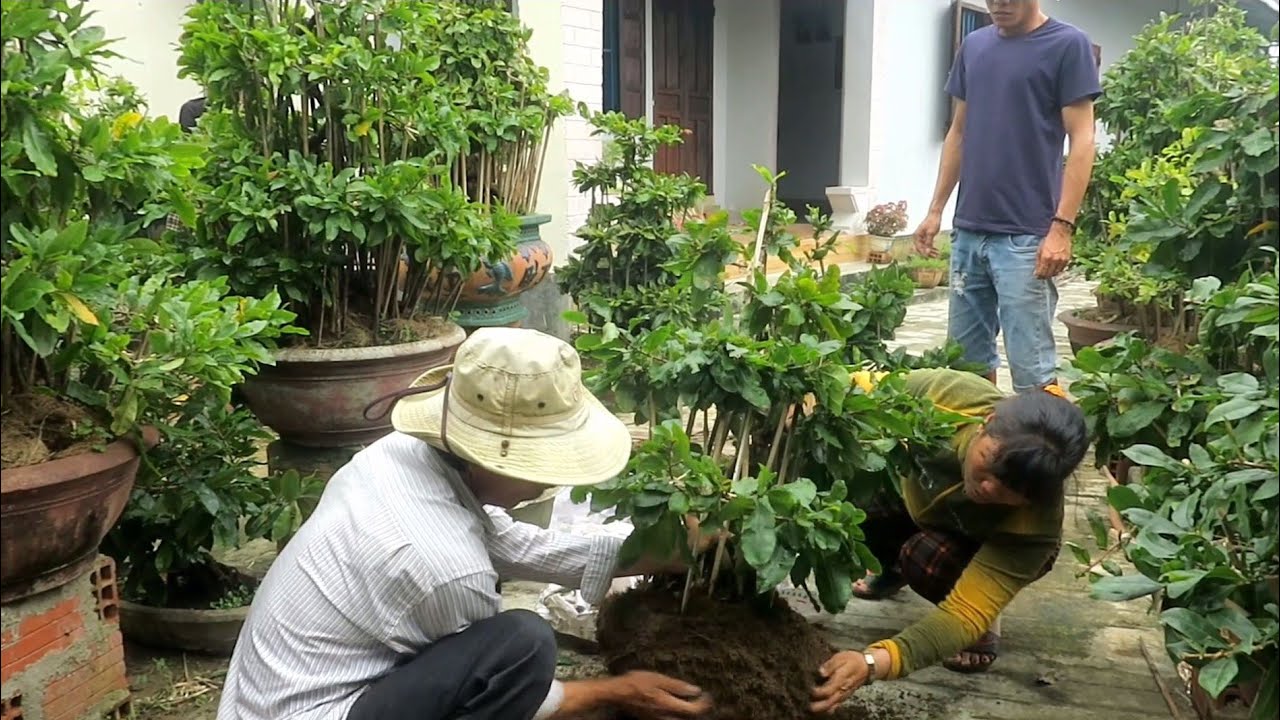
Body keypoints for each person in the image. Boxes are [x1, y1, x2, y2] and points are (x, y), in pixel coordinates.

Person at [217, 327, 713, 720]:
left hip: (266, 701)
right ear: (492, 461)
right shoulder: (446, 568)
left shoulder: (396, 457)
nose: (548, 487)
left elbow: (499, 538)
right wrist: (615, 692)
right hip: (317, 711)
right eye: (543, 471)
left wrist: (637, 554)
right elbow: (498, 690)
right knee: (523, 645)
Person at [809, 368, 1088, 713]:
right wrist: (808, 399)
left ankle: (988, 624)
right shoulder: (949, 397)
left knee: (928, 560)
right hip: (924, 502)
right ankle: (891, 568)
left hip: (980, 541)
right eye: (989, 464)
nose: (988, 489)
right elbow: (865, 384)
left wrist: (871, 662)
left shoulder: (1035, 523)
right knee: (852, 503)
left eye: (1013, 491)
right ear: (987, 422)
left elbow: (963, 613)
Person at [911, 0, 1101, 393]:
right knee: (965, 368)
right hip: (969, 232)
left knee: (1032, 369)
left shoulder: (1067, 45)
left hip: (1026, 237)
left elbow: (1082, 140)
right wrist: (935, 211)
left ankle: (1043, 452)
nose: (999, 3)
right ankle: (980, 446)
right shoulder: (975, 47)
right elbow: (958, 133)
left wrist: (1061, 227)